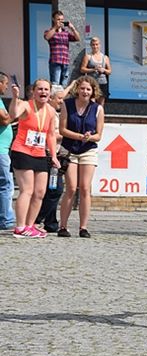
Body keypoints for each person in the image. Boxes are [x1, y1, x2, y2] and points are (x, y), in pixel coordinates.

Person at [8, 79, 60, 238]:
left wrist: (54, 156)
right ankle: (20, 226)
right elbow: (13, 114)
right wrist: (15, 98)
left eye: (46, 89)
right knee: (27, 190)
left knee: (39, 192)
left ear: (49, 93)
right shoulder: (25, 105)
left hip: (39, 153)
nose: (43, 92)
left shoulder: (51, 111)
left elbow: (50, 135)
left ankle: (30, 226)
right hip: (22, 150)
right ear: (33, 91)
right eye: (40, 89)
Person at [57, 76, 104, 238]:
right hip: (70, 149)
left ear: (93, 91)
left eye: (88, 89)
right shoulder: (67, 105)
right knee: (70, 187)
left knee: (85, 188)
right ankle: (62, 226)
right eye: (83, 88)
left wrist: (88, 137)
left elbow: (98, 135)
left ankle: (83, 227)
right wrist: (78, 136)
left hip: (88, 149)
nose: (85, 91)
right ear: (78, 89)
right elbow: (62, 130)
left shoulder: (97, 108)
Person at [36, 83, 73, 232]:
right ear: (51, 98)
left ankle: (51, 223)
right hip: (48, 154)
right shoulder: (48, 113)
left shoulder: (56, 113)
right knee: (55, 190)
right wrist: (67, 134)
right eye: (59, 98)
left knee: (51, 188)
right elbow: (47, 134)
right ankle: (36, 219)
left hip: (56, 154)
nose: (61, 102)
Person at [44, 10, 81, 86]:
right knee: (55, 83)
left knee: (64, 84)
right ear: (53, 20)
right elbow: (47, 37)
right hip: (55, 61)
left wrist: (72, 28)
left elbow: (77, 38)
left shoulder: (66, 32)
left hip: (65, 62)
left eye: (62, 20)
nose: (60, 22)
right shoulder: (49, 31)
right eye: (58, 19)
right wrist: (55, 28)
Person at [0, 73, 14, 230]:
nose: (6, 87)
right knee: (6, 184)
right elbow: (4, 119)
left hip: (3, 149)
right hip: (1, 150)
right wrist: (12, 115)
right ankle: (5, 220)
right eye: (4, 84)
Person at [80, 37, 111, 107]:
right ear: (91, 45)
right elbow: (82, 69)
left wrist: (104, 70)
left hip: (103, 83)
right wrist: (93, 69)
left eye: (97, 44)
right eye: (93, 45)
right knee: (91, 102)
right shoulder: (88, 56)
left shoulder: (105, 57)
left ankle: (100, 117)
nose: (95, 46)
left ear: (100, 45)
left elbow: (109, 71)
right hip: (92, 82)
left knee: (101, 104)